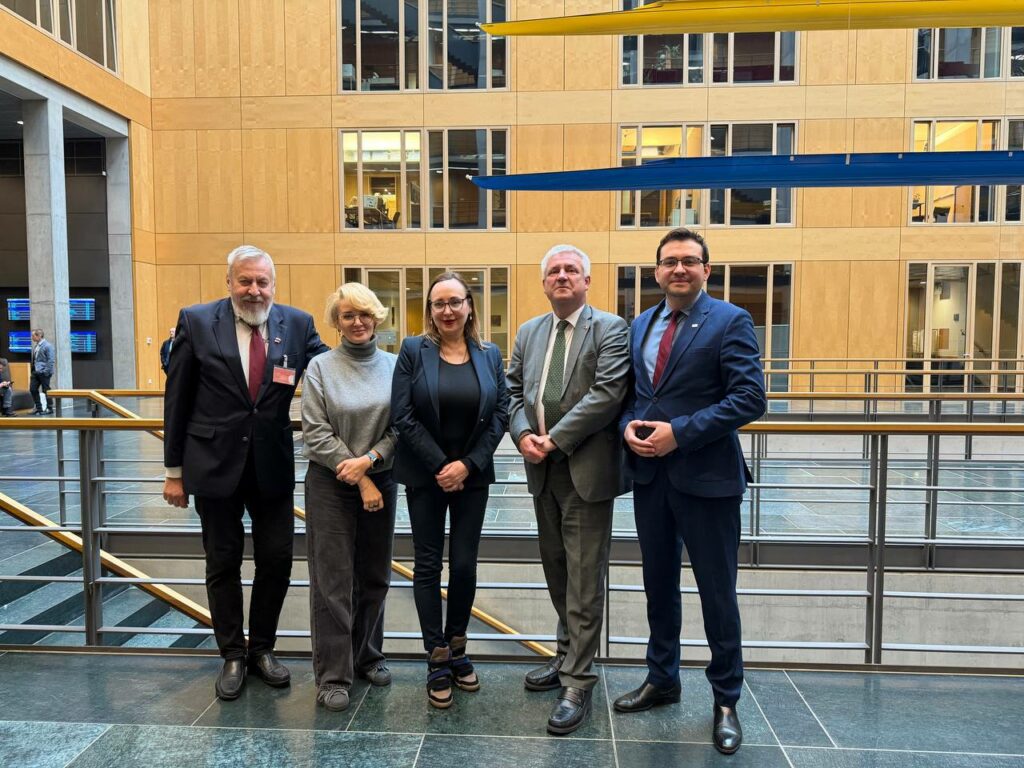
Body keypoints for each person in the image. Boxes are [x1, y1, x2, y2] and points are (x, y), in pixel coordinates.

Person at [613, 228, 766, 755]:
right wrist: (628, 428)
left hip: (708, 481)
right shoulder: (640, 324)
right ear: (657, 271)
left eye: (689, 261)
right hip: (651, 478)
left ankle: (726, 700)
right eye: (669, 261)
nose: (679, 269)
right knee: (658, 586)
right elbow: (634, 396)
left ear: (706, 269)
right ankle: (663, 678)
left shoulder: (730, 320)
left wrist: (680, 432)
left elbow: (750, 398)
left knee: (717, 594)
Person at [162, 244, 330, 701]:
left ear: (273, 285)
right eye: (245, 281)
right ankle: (232, 654)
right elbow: (177, 398)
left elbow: (333, 368)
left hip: (271, 466)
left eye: (262, 282)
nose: (254, 290)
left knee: (277, 560)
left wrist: (383, 366)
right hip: (213, 465)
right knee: (222, 562)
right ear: (229, 283)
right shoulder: (197, 321)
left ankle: (262, 649)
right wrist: (174, 471)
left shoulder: (298, 324)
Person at [506, 245, 629, 735]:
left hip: (585, 470)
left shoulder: (610, 329)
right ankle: (565, 655)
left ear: (586, 281)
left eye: (571, 270)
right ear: (544, 283)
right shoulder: (529, 332)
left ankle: (578, 680)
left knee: (583, 579)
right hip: (542, 469)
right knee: (557, 570)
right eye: (554, 271)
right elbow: (512, 392)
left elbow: (607, 394)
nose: (562, 276)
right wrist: (523, 435)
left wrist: (554, 438)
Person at [391, 271, 508, 709]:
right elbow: (402, 415)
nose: (447, 310)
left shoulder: (489, 354)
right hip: (426, 475)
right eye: (438, 303)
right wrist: (442, 465)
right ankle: (436, 655)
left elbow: (501, 413)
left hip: (472, 476)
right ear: (430, 310)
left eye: (455, 301)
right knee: (427, 565)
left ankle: (458, 645)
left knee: (463, 564)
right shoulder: (412, 350)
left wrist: (468, 465)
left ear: (469, 306)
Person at [301, 283, 398, 713]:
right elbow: (315, 432)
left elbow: (402, 426)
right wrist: (360, 479)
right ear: (336, 322)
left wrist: (371, 463)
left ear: (376, 317)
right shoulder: (320, 367)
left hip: (383, 477)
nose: (357, 322)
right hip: (330, 484)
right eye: (348, 315)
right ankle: (333, 675)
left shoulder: (396, 365)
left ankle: (367, 656)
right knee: (332, 582)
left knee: (375, 574)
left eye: (364, 313)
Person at [29, 329, 54, 415]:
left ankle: (50, 408)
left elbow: (51, 360)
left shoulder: (47, 346)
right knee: (32, 389)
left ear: (39, 336)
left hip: (44, 372)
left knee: (46, 390)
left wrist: (45, 372)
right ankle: (39, 408)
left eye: (33, 336)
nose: (32, 337)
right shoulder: (36, 346)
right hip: (35, 372)